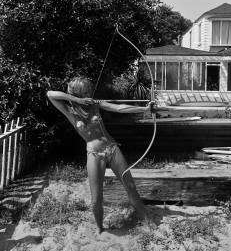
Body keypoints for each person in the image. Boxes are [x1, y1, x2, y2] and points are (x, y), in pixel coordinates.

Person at [47, 76, 155, 234]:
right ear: (76, 93)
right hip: (94, 153)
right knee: (96, 198)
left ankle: (146, 219)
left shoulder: (95, 105)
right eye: (85, 91)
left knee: (130, 186)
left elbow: (119, 108)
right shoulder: (69, 111)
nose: (89, 93)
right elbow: (50, 94)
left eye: (89, 90)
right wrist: (75, 99)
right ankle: (99, 227)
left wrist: (144, 109)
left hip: (111, 148)